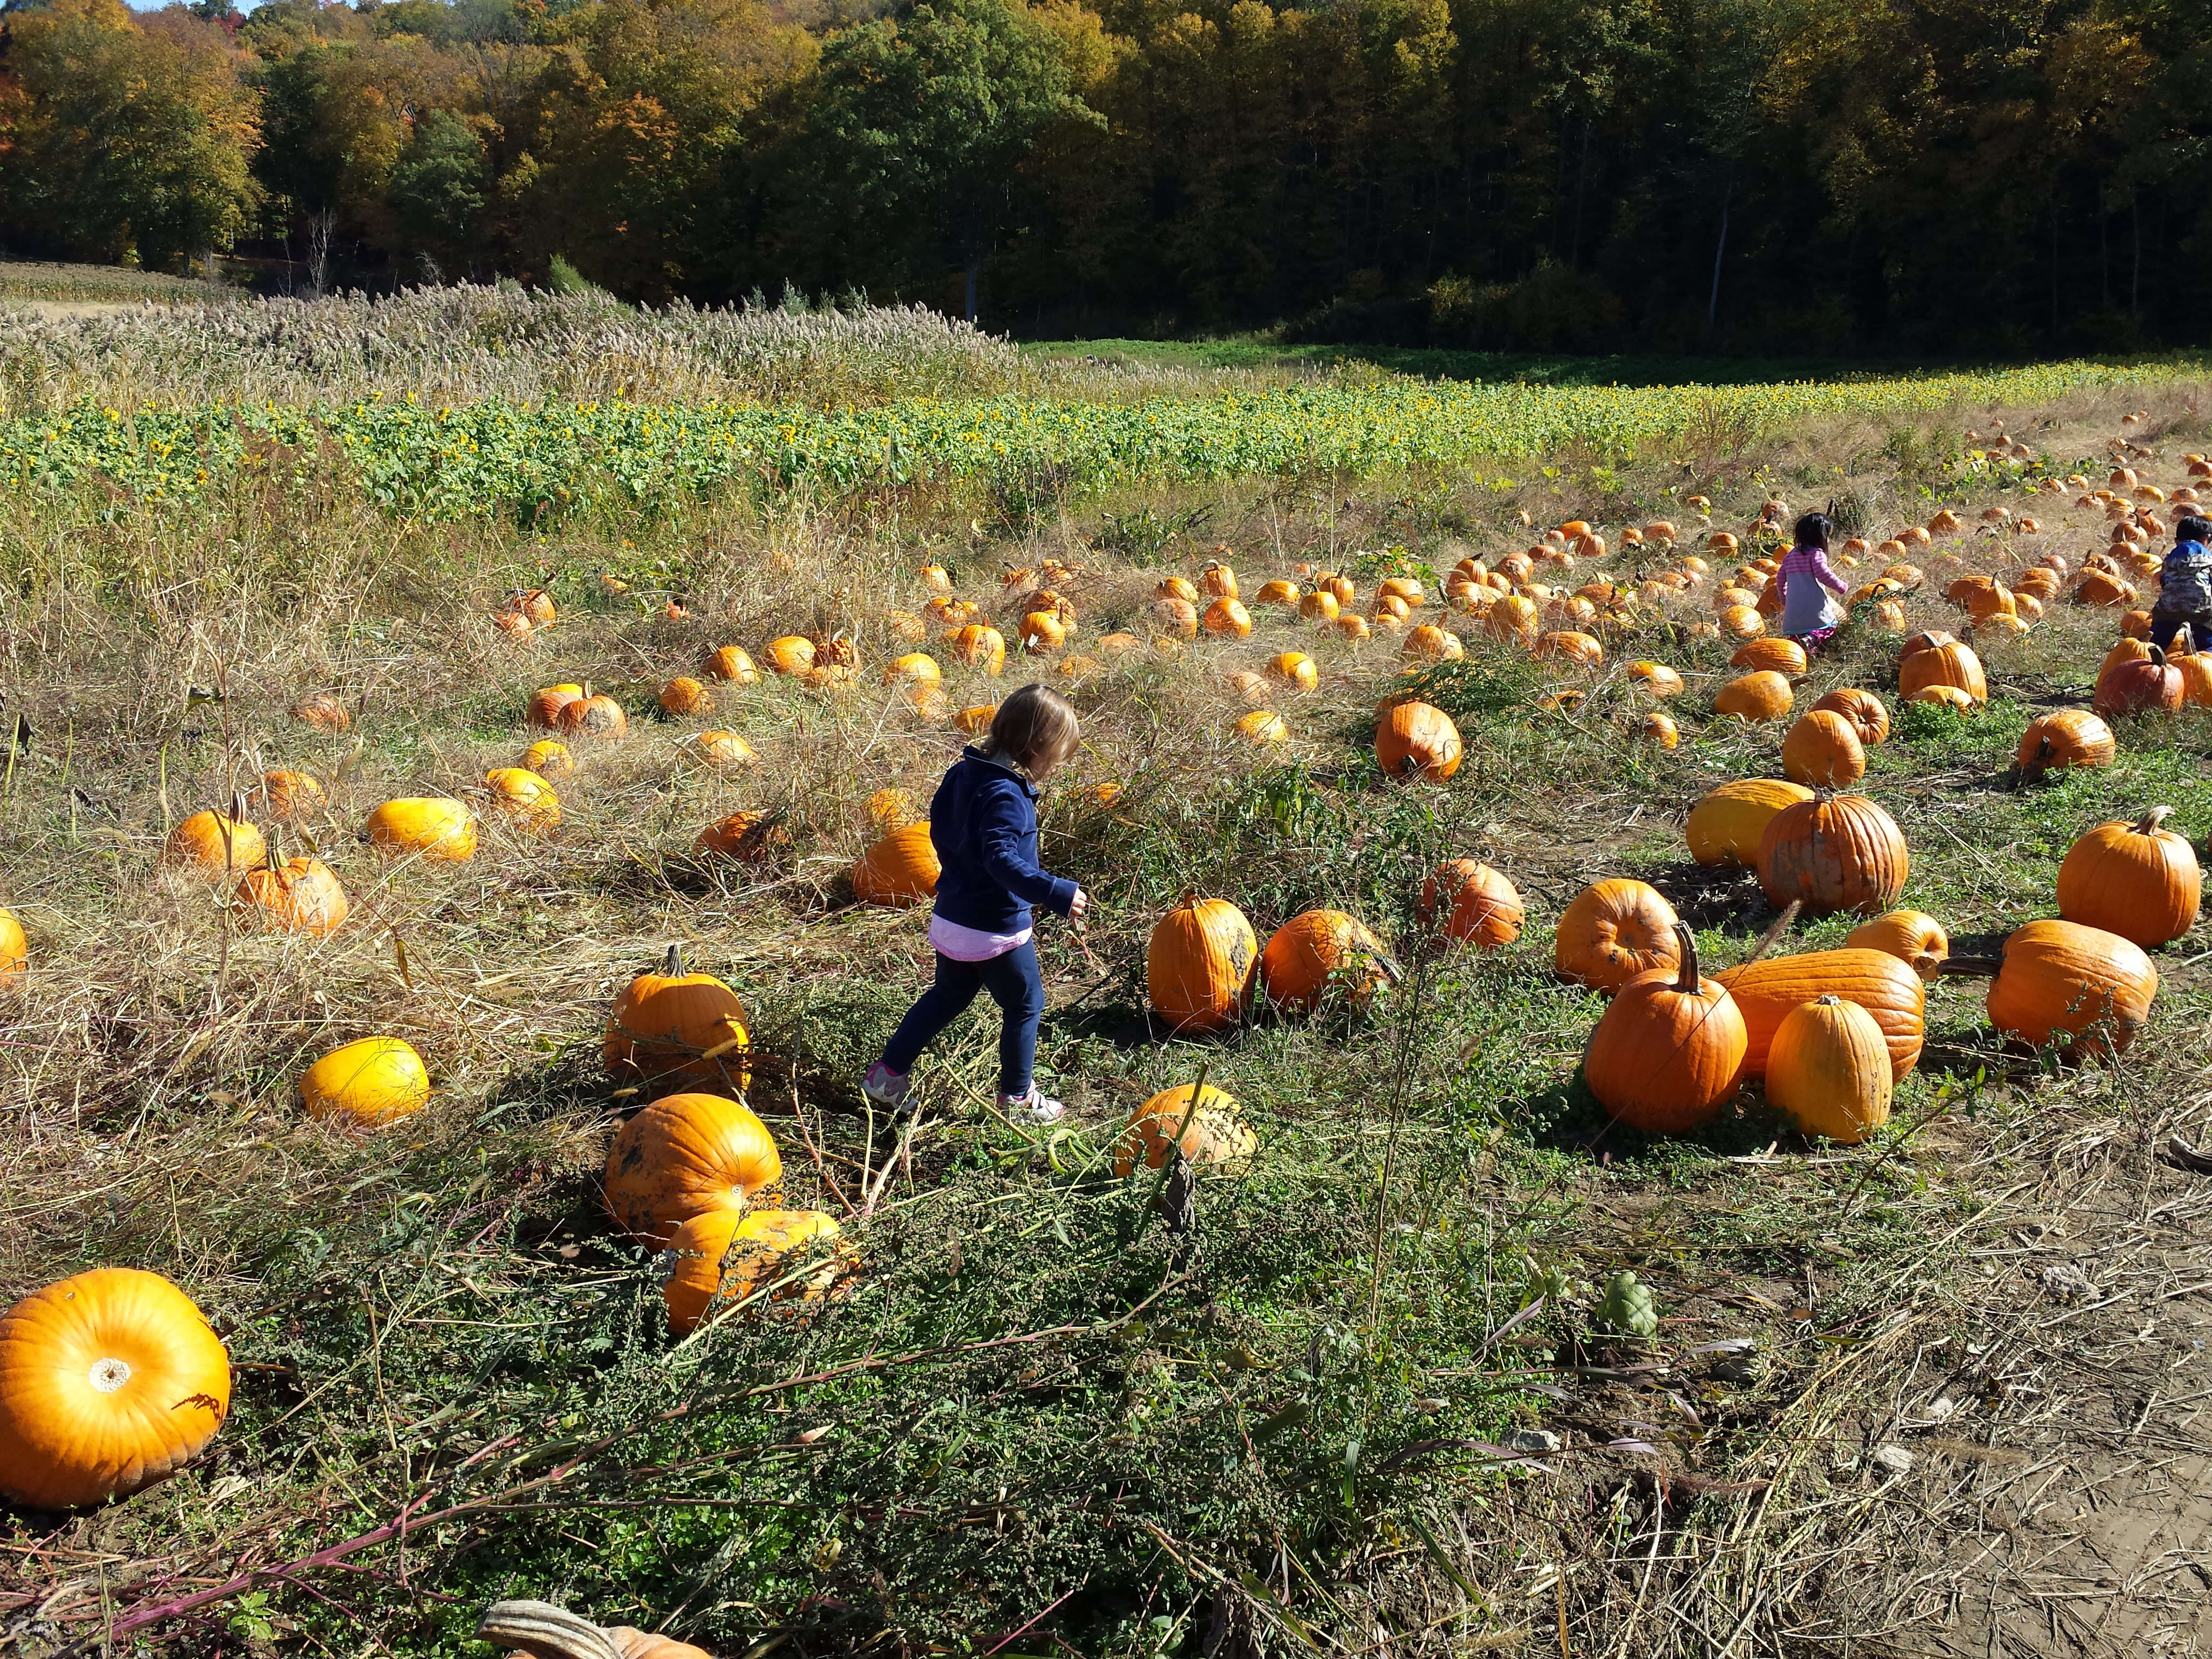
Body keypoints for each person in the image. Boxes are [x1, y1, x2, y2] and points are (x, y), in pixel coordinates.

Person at [862, 684, 1089, 1124]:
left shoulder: (962, 774)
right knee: (1026, 1003)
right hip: (994, 928)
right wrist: (1053, 890)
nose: (1054, 767)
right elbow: (1001, 859)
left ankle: (887, 1075)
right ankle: (1017, 1098)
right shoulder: (1007, 796)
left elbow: (942, 831)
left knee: (947, 995)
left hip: (951, 916)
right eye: (1055, 757)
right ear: (1035, 746)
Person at [1776, 511, 1850, 652]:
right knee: (1830, 626)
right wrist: (1841, 586)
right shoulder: (1816, 554)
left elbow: (1780, 578)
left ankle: (1800, 647)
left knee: (1796, 636)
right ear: (1820, 537)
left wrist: (1783, 597)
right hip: (1813, 607)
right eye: (1827, 537)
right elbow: (1823, 573)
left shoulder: (1790, 556)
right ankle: (1812, 639)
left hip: (1793, 611)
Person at [2151, 516, 2212, 654]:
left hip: (2168, 609)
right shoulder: (2208, 558)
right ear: (2206, 539)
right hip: (2201, 610)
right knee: (2207, 642)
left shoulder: (2170, 557)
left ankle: (2152, 657)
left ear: (2177, 541)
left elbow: (2164, 581)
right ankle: (2207, 658)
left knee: (2158, 640)